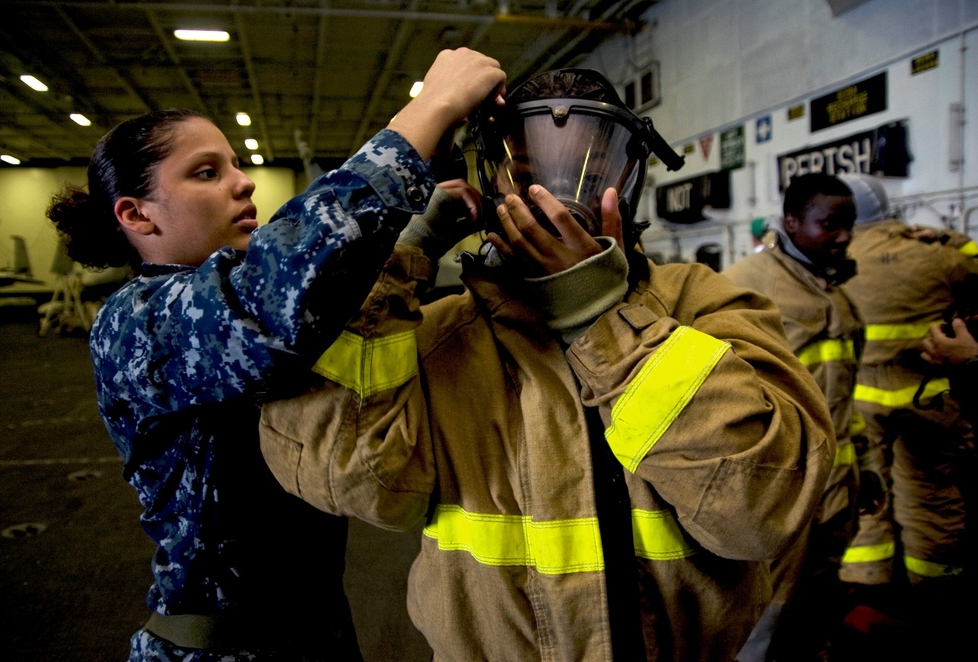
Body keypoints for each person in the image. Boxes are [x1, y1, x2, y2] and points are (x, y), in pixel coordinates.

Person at [259, 69, 836, 661]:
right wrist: (396, 258)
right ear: (490, 185)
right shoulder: (440, 337)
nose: (558, 202)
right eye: (530, 178)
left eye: (590, 173)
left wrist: (602, 316)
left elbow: (763, 510)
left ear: (629, 181)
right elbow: (347, 480)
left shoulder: (706, 304)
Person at [45, 48, 506, 661]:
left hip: (314, 637)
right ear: (136, 215)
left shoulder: (241, 298)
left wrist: (416, 236)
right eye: (206, 172)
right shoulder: (136, 322)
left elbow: (320, 311)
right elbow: (271, 309)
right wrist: (427, 110)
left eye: (234, 164)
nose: (243, 181)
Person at [723, 173, 866, 661]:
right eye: (830, 224)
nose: (844, 236)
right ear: (791, 222)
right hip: (781, 490)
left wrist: (862, 466)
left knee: (819, 601)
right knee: (767, 608)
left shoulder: (835, 292)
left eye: (849, 224)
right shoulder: (746, 287)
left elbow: (847, 392)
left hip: (837, 485)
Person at [837, 172, 977, 655]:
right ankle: (934, 589)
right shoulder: (936, 257)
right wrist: (948, 236)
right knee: (931, 491)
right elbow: (974, 266)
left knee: (865, 492)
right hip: (928, 396)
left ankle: (870, 586)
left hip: (861, 401)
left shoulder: (835, 262)